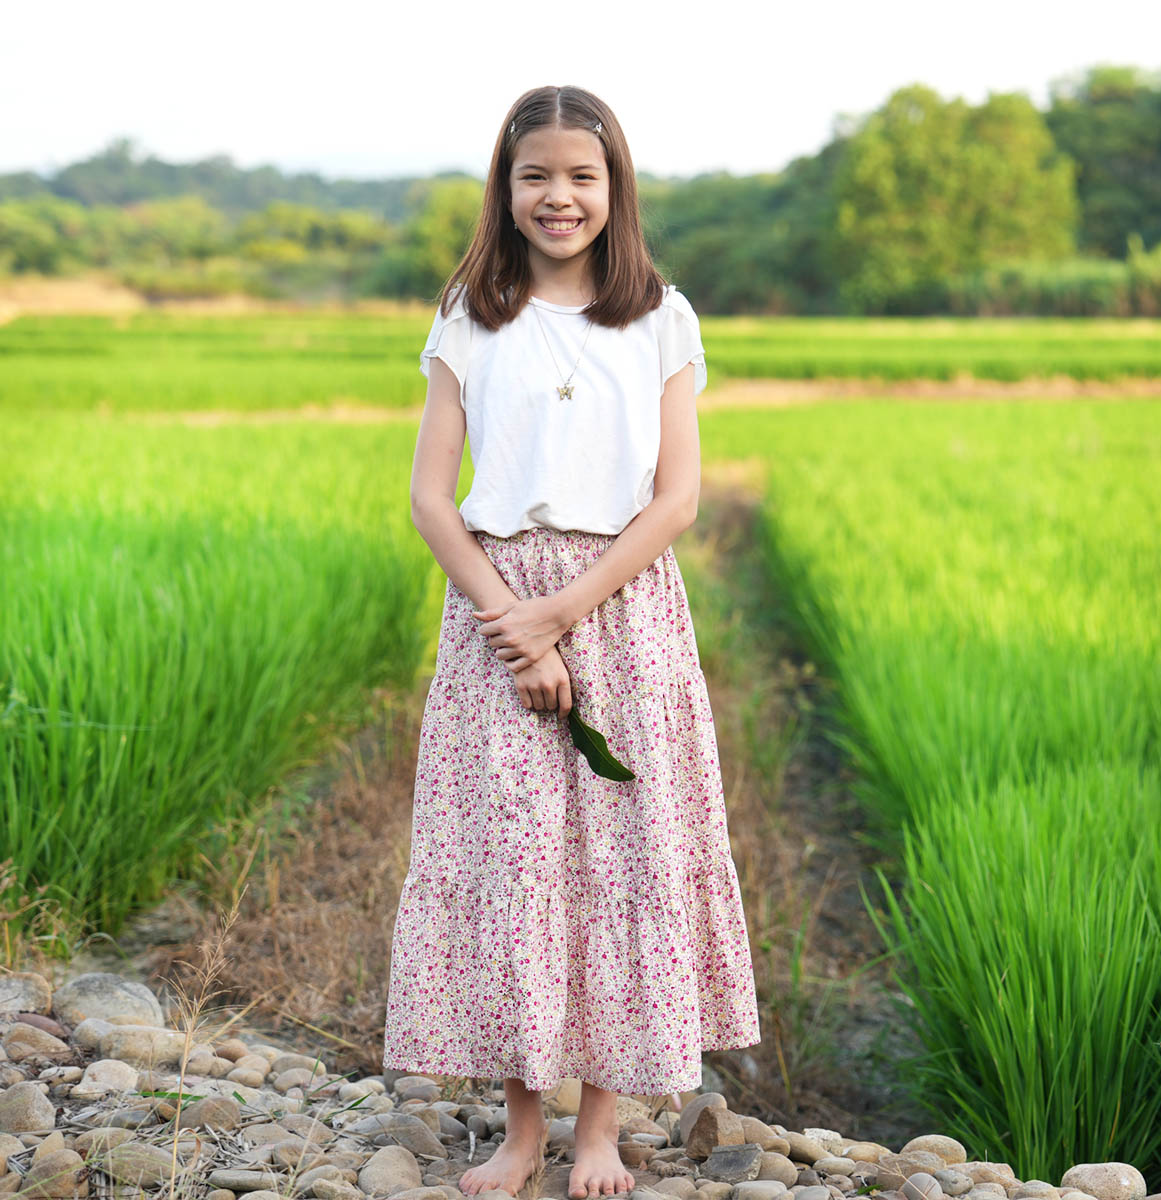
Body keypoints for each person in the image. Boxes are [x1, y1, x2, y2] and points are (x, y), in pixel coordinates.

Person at [383, 83, 760, 1200]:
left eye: (582, 177)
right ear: (506, 186)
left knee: (620, 859)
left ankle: (599, 1127)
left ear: (615, 188)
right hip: (494, 611)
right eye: (536, 174)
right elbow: (430, 499)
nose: (560, 196)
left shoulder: (660, 318)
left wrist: (565, 613)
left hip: (625, 607)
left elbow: (678, 498)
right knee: (511, 863)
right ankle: (517, 1128)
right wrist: (517, 623)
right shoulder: (470, 314)